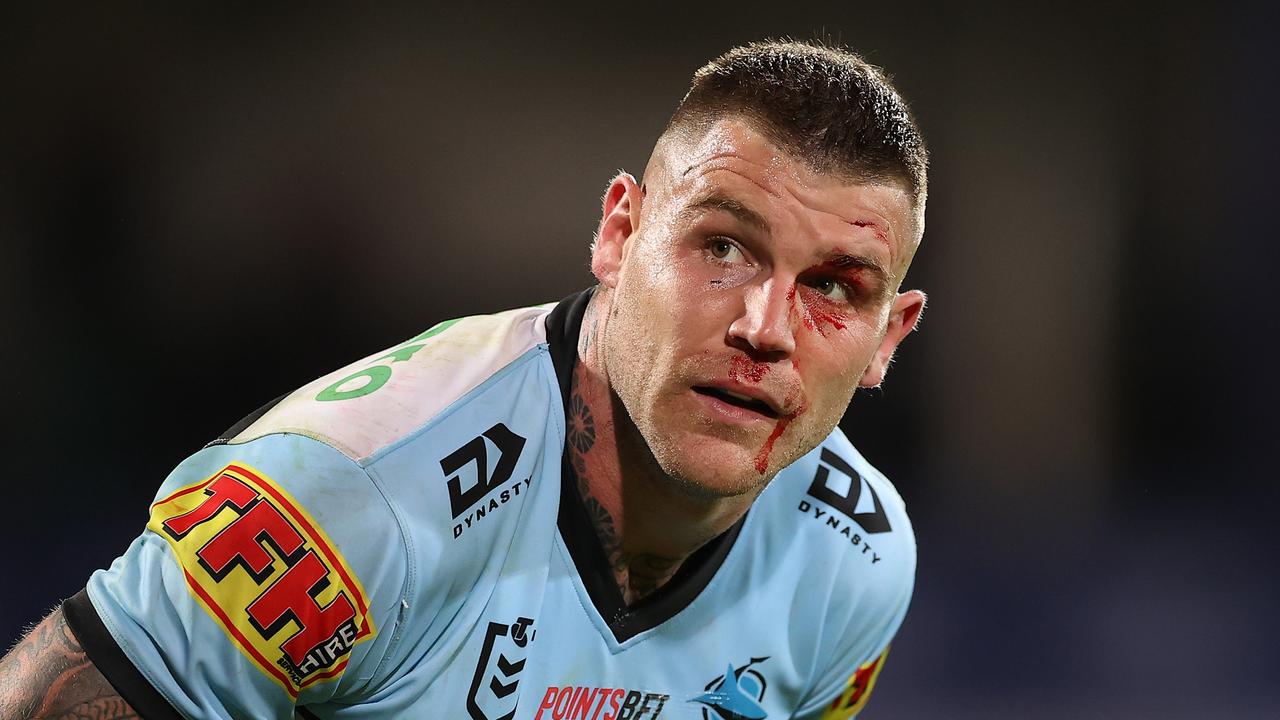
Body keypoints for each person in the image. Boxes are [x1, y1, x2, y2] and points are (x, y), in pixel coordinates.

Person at [0, 40, 928, 720]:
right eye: (721, 247)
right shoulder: (353, 501)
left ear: (888, 338)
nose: (763, 330)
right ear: (620, 234)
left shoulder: (855, 562)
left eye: (834, 289)